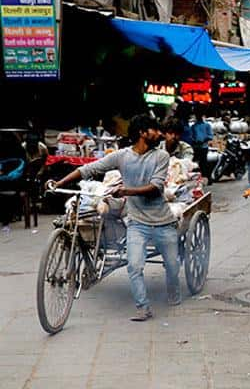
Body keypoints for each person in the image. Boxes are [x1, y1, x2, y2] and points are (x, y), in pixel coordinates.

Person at [48, 115, 181, 322]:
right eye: (154, 130)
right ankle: (143, 307)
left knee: (172, 265)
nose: (159, 134)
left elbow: (156, 187)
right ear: (142, 133)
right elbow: (88, 169)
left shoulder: (161, 156)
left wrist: (127, 191)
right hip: (137, 222)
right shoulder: (122, 156)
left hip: (163, 221)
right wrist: (58, 183)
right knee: (134, 266)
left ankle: (174, 292)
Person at [0, 132, 27, 238]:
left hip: (12, 183)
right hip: (15, 183)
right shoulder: (20, 150)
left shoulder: (17, 153)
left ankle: (6, 218)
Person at [190, 107, 213, 183]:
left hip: (204, 147)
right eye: (197, 115)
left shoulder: (207, 125)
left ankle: (207, 178)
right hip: (196, 147)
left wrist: (204, 139)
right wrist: (195, 141)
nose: (198, 116)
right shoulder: (193, 126)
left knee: (204, 163)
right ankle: (198, 179)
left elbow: (210, 136)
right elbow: (191, 136)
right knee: (195, 164)